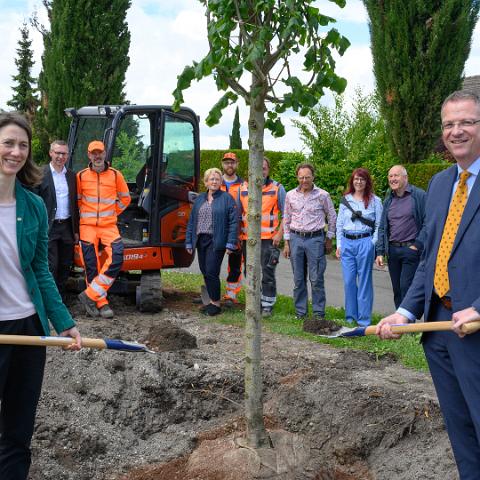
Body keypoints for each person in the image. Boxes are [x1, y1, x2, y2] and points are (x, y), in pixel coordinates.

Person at [376, 90, 480, 480]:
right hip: (438, 331)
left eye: (467, 122)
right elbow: (430, 257)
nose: (457, 131)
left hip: (475, 332)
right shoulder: (438, 185)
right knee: (461, 434)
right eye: (449, 124)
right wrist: (405, 311)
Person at [0, 112, 81, 480]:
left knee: (18, 429)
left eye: (22, 145)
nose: (15, 152)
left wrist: (63, 322)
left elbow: (41, 271)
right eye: (7, 143)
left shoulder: (32, 206)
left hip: (28, 327)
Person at [76, 140, 131, 319]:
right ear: (89, 155)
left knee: (117, 257)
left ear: (105, 153)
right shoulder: (81, 176)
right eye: (94, 153)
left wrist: (111, 213)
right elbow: (77, 201)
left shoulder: (116, 175)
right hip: (87, 227)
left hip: (108, 226)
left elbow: (125, 198)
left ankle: (89, 295)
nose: (97, 156)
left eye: (100, 152)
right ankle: (101, 302)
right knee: (91, 265)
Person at [283, 163, 336, 323]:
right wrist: (287, 242)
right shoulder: (290, 195)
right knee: (298, 279)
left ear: (313, 176)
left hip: (315, 239)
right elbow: (286, 218)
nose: (304, 180)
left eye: (307, 177)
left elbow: (332, 217)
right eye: (301, 177)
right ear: (297, 177)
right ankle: (300, 312)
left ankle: (319, 313)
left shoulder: (322, 195)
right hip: (296, 238)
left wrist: (329, 238)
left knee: (316, 278)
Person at [186, 168, 238, 316]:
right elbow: (192, 221)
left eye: (217, 179)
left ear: (221, 182)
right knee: (204, 270)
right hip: (200, 240)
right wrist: (189, 242)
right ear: (206, 182)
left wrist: (230, 243)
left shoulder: (227, 198)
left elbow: (234, 222)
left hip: (217, 241)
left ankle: (215, 303)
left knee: (211, 271)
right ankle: (209, 301)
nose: (214, 181)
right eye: (211, 179)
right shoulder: (200, 199)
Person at [239, 157, 286, 317]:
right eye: (257, 168)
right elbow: (239, 214)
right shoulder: (242, 188)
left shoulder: (277, 188)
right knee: (249, 271)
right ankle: (254, 301)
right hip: (248, 239)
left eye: (264, 168)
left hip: (269, 238)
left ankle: (267, 304)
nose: (260, 171)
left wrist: (280, 234)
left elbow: (287, 214)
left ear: (268, 170)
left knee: (267, 271)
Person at [335, 168, 382, 327]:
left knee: (364, 281)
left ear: (367, 181)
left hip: (365, 241)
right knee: (348, 281)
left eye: (362, 179)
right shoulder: (345, 200)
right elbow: (339, 224)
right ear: (352, 181)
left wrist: (372, 243)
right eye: (356, 179)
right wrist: (339, 244)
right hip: (347, 242)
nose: (359, 182)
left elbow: (379, 225)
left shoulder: (376, 201)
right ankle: (350, 316)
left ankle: (363, 320)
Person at [375, 165, 426, 308]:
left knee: (406, 287)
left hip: (411, 250)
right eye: (390, 176)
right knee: (397, 290)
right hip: (392, 251)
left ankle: (408, 325)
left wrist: (417, 245)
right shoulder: (388, 200)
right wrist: (380, 252)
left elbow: (428, 222)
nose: (392, 179)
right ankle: (400, 326)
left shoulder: (419, 196)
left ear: (405, 177)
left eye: (396, 175)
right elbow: (383, 227)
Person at [36, 140, 79, 300]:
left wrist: (76, 231)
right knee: (51, 266)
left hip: (67, 226)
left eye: (64, 153)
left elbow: (75, 205)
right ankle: (50, 301)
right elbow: (35, 202)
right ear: (51, 153)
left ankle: (60, 300)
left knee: (65, 265)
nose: (60, 156)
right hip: (49, 227)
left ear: (67, 155)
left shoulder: (72, 176)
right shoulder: (40, 174)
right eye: (57, 153)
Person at [220, 152, 244, 306]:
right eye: (227, 162)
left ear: (237, 164)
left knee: (235, 265)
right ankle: (211, 293)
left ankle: (231, 295)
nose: (230, 165)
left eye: (232, 162)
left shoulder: (244, 185)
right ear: (223, 164)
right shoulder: (216, 182)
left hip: (237, 232)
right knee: (212, 264)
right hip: (217, 230)